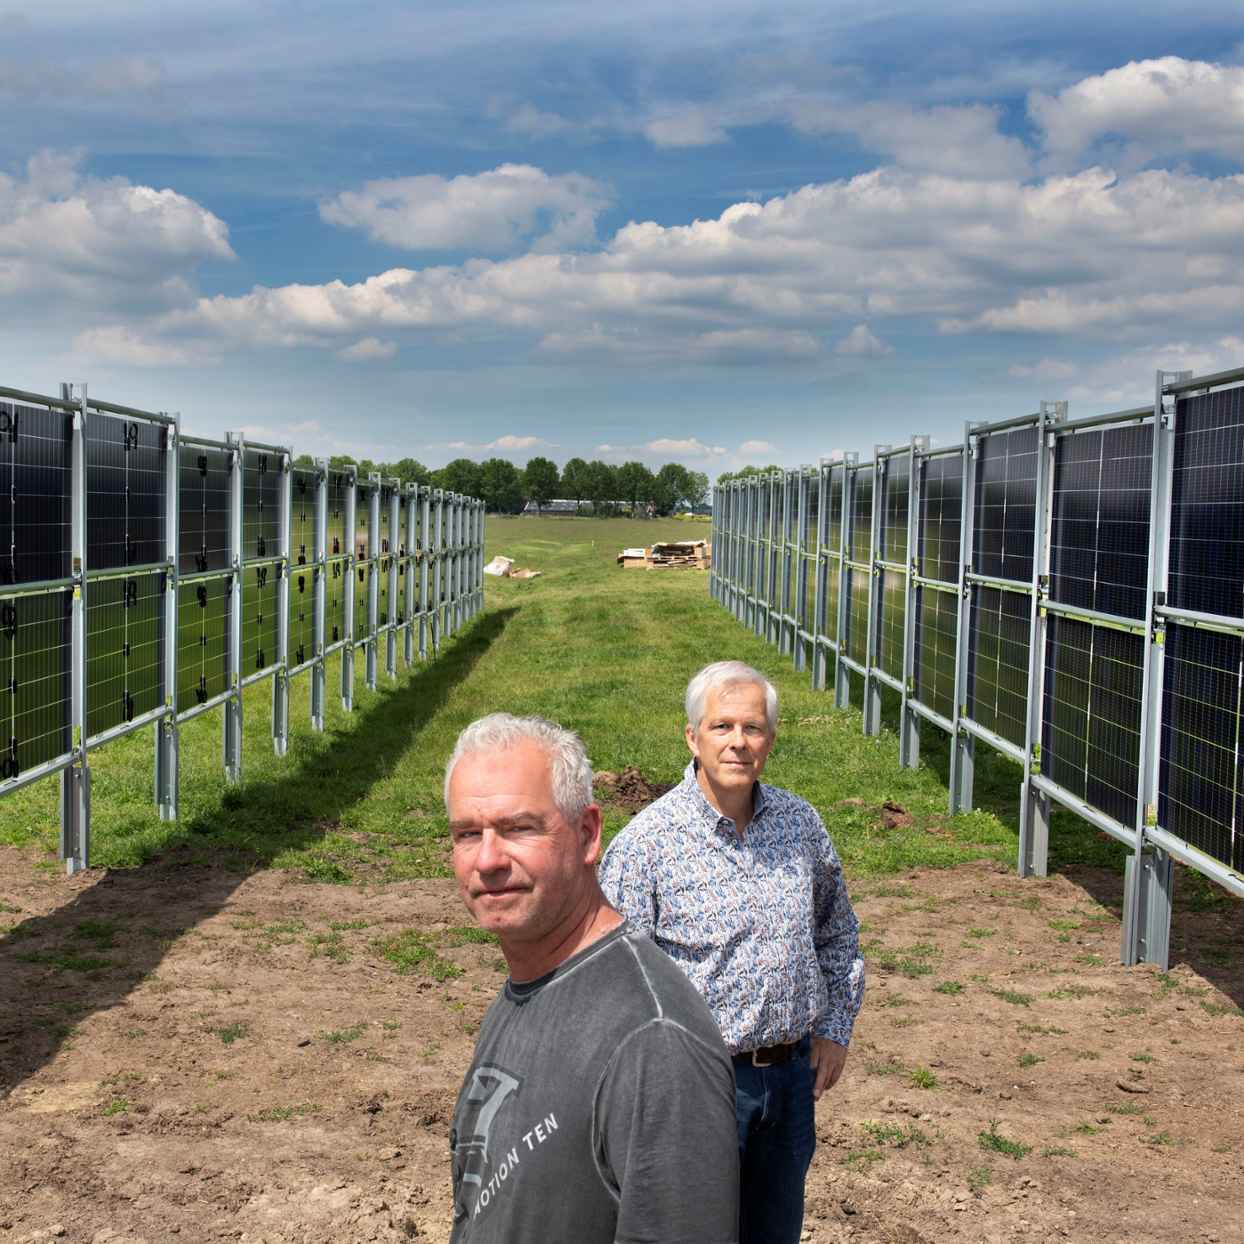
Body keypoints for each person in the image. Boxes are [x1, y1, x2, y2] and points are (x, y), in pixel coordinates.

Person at [444, 712, 740, 1244]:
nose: (487, 860)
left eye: (518, 828)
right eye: (468, 834)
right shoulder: (524, 990)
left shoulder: (654, 1040)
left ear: (587, 834)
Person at [600, 661, 865, 1244]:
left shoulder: (800, 824)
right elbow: (614, 984)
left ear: (770, 739)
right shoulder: (648, 845)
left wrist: (835, 1028)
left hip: (791, 1083)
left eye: (753, 728)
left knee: (774, 1232)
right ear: (692, 737)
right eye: (722, 727)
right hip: (698, 1088)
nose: (738, 742)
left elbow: (837, 933)